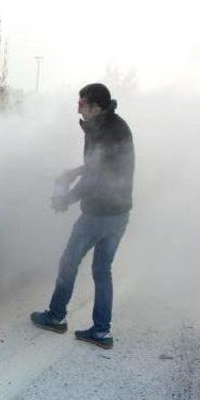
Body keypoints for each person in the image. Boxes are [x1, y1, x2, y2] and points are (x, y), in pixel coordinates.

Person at [31, 83, 134, 349]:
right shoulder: (113, 125)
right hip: (119, 213)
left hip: (99, 214)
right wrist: (75, 171)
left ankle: (55, 317)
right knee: (102, 270)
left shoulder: (104, 132)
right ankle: (101, 332)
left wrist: (66, 199)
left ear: (96, 107)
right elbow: (98, 167)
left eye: (82, 103)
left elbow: (97, 177)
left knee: (68, 263)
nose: (78, 107)